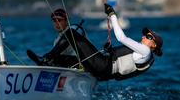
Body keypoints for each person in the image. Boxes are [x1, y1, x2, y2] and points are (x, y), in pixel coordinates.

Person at [27, 5, 163, 81]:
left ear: (154, 45)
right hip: (104, 71)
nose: (144, 37)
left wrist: (113, 16)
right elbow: (123, 63)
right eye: (145, 35)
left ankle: (46, 58)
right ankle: (48, 66)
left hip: (103, 66)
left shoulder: (145, 51)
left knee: (71, 33)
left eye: (149, 37)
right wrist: (111, 51)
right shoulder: (145, 57)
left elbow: (122, 38)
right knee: (66, 59)